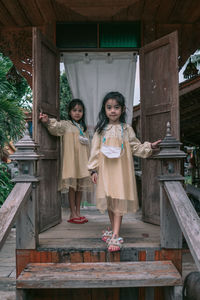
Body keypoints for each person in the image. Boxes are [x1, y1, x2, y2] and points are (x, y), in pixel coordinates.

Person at [88, 91, 161, 252]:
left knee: (119, 200)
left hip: (121, 172)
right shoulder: (101, 130)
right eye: (109, 107)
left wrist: (149, 146)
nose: (112, 110)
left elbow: (135, 147)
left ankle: (115, 235)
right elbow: (94, 151)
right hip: (106, 170)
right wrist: (93, 170)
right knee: (109, 200)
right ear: (104, 109)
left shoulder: (126, 129)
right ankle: (112, 229)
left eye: (116, 107)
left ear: (122, 109)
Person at [39, 99, 92, 224]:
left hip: (82, 161)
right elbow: (55, 127)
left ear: (83, 113)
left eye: (80, 111)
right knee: (72, 187)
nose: (77, 113)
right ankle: (72, 213)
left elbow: (87, 145)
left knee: (80, 188)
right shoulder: (66, 125)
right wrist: (47, 121)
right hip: (71, 161)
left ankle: (78, 212)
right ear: (69, 112)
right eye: (74, 110)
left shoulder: (83, 128)